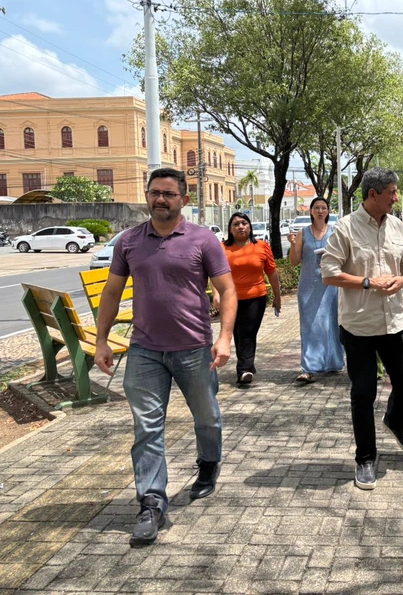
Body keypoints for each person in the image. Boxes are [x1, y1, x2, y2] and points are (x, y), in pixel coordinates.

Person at [94, 168, 237, 547]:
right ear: (147, 196)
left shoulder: (202, 239)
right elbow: (111, 293)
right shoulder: (129, 241)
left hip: (193, 348)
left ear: (184, 200)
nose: (160, 199)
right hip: (144, 350)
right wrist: (102, 341)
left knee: (207, 417)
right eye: (154, 192)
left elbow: (227, 289)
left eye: (169, 194)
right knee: (147, 428)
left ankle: (208, 464)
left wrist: (224, 337)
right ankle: (152, 502)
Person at [321, 168, 403, 490]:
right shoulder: (345, 228)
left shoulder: (396, 226)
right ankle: (365, 458)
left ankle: (395, 419)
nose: (396, 197)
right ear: (372, 194)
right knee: (363, 393)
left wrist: (402, 279)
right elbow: (328, 273)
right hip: (358, 325)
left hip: (395, 320)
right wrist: (366, 282)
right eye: (391, 191)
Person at [216, 212, 281, 386]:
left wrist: (277, 295)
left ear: (250, 226)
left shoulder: (261, 246)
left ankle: (243, 370)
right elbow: (215, 274)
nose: (241, 226)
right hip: (231, 299)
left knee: (247, 332)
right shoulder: (222, 248)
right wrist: (216, 294)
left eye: (244, 223)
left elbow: (272, 272)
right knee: (237, 333)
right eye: (236, 224)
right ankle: (248, 365)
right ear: (230, 229)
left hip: (256, 297)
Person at [289, 197, 344, 382]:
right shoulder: (302, 233)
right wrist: (292, 244)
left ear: (328, 211)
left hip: (331, 286)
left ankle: (333, 362)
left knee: (331, 323)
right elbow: (294, 261)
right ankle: (309, 367)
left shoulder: (335, 232)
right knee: (310, 325)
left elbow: (344, 257)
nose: (320, 211)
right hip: (308, 287)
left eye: (324, 208)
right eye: (317, 208)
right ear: (311, 211)